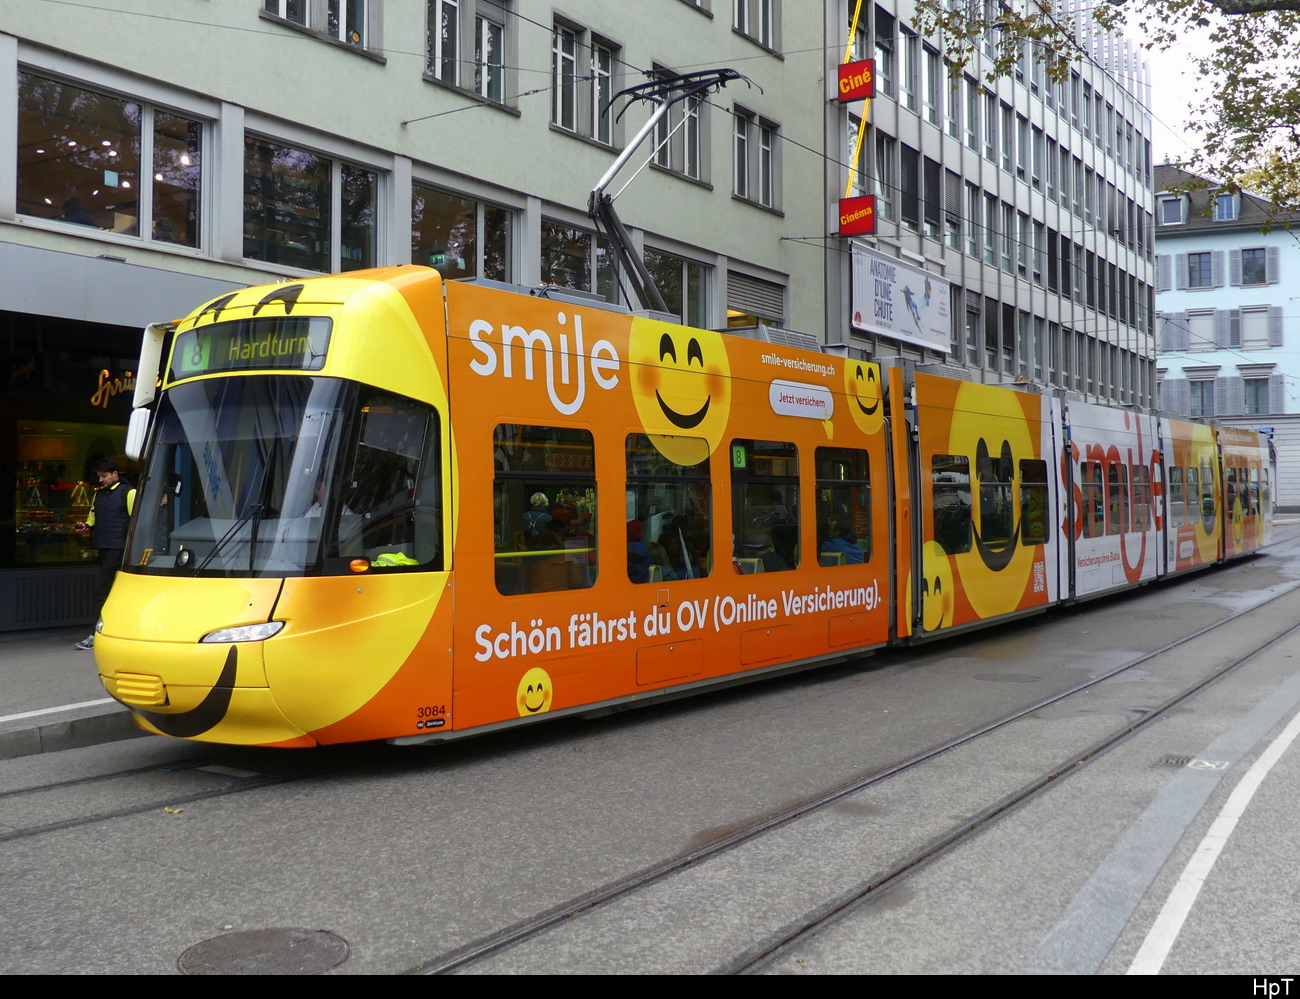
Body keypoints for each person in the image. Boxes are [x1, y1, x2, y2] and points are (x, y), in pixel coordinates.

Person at [74, 459, 136, 649]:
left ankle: (96, 635)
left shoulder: (129, 493)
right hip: (104, 547)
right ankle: (118, 632)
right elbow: (93, 516)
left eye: (105, 476)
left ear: (115, 474)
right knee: (113, 592)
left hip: (120, 549)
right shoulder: (99, 495)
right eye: (100, 476)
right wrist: (87, 526)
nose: (101, 480)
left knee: (103, 591)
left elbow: (137, 522)